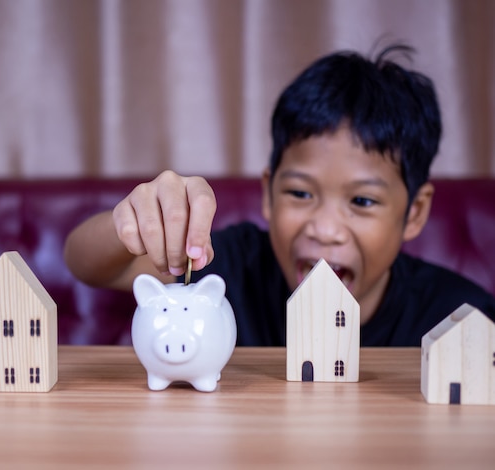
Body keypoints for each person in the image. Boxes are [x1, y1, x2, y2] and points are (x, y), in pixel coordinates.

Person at [64, 44, 495, 346]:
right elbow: (86, 263)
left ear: (415, 213)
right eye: (299, 193)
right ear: (268, 194)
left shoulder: (460, 317)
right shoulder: (235, 264)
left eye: (362, 201)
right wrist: (134, 221)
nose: (325, 230)